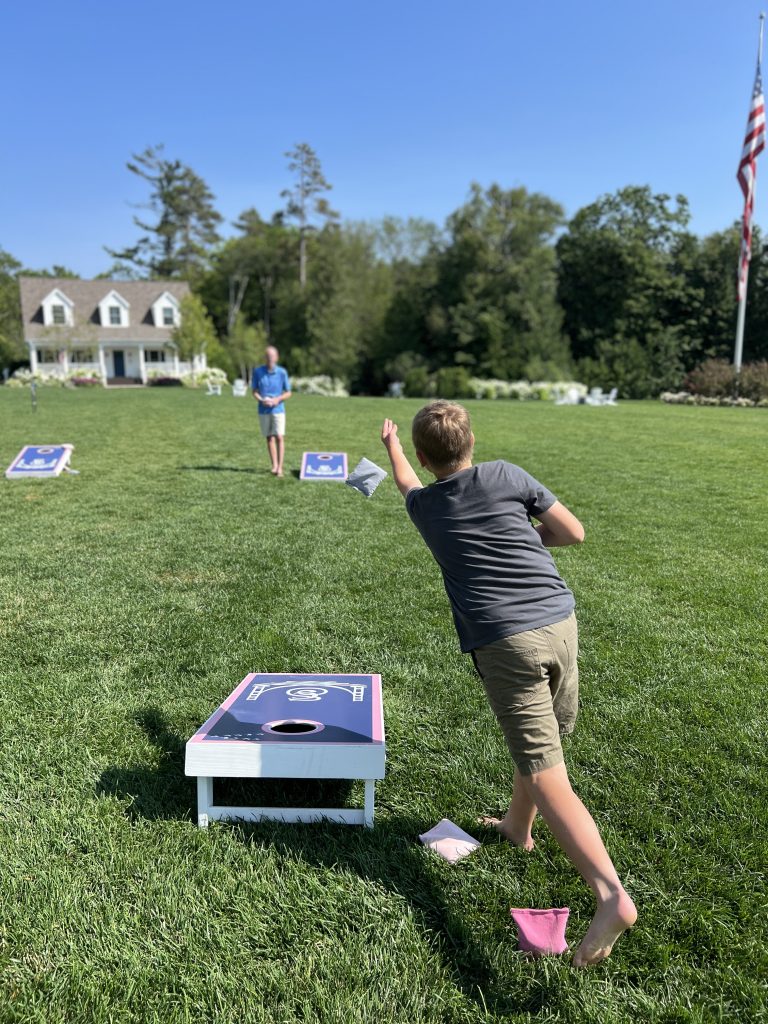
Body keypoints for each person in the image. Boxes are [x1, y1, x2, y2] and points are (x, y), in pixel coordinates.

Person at [380, 401, 636, 967]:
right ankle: (518, 828)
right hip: (561, 623)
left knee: (547, 772)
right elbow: (573, 532)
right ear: (472, 441)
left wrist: (392, 444)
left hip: (507, 641)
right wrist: (519, 538)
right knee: (544, 743)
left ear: (426, 457)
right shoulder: (507, 475)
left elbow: (403, 481)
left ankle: (611, 895)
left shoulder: (425, 506)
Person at [251, 346, 292, 476]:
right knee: (269, 438)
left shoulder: (282, 373)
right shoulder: (258, 372)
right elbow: (254, 391)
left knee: (279, 436)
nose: (270, 359)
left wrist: (277, 399)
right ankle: (274, 465)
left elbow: (288, 392)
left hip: (278, 409)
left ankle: (280, 467)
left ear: (277, 357)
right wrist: (261, 400)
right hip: (263, 409)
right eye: (268, 356)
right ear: (265, 358)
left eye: (272, 356)